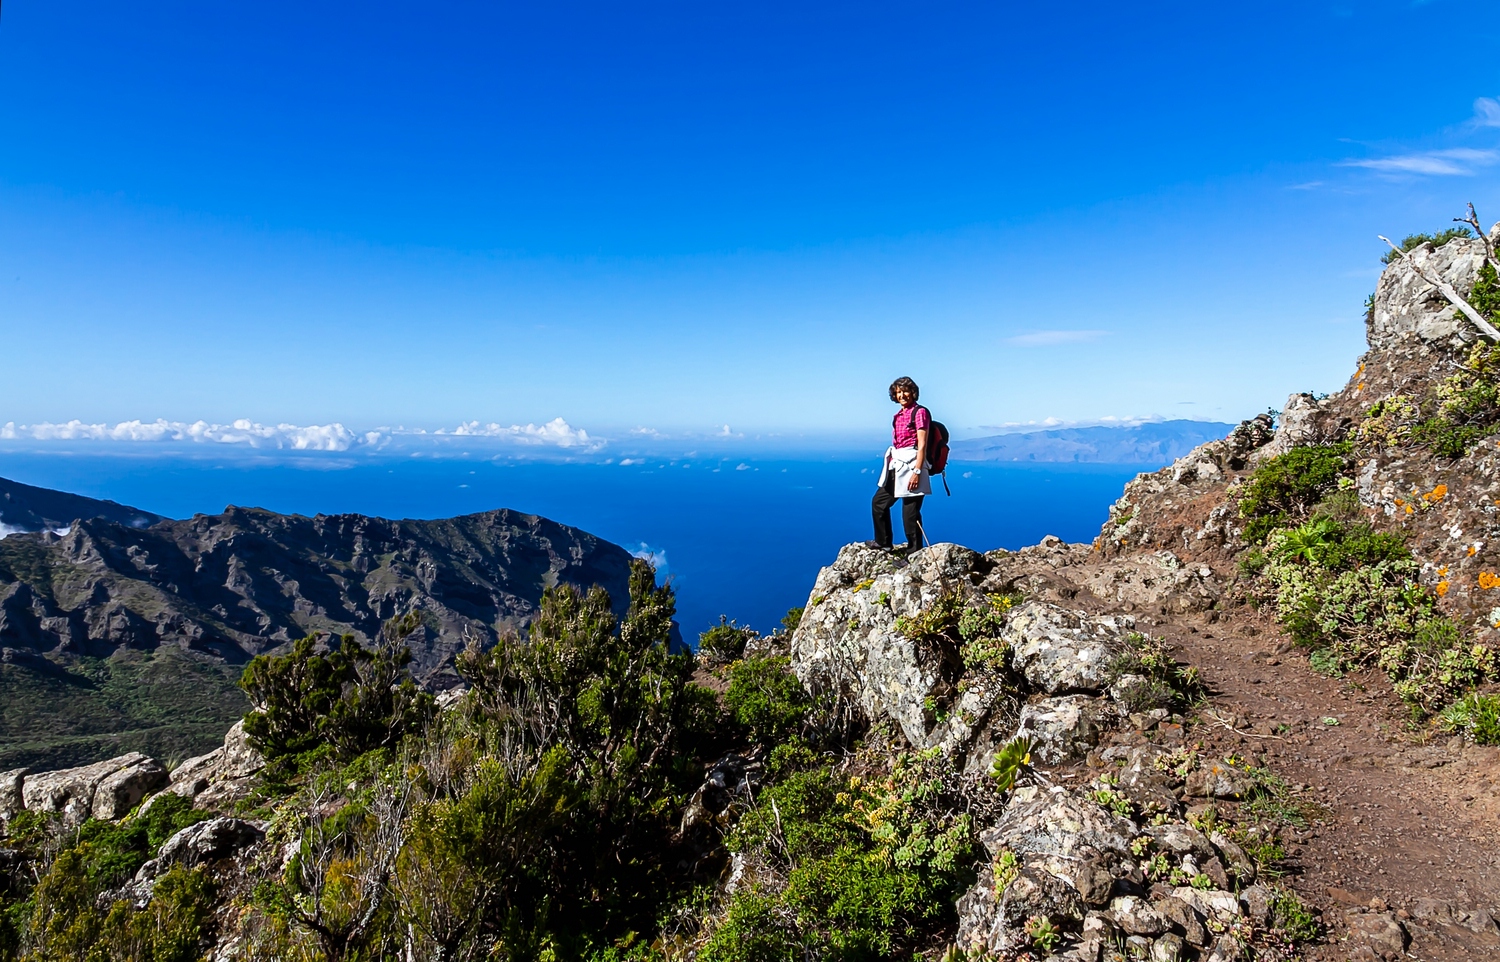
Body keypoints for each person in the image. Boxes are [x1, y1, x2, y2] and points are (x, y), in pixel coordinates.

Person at [871, 376, 931, 556]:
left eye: (905, 390)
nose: (902, 395)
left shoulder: (920, 413)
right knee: (879, 503)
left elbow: (922, 445)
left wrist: (917, 472)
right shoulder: (898, 415)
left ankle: (914, 553)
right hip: (897, 465)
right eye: (898, 392)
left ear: (913, 392)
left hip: (913, 465)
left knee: (910, 514)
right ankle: (884, 543)